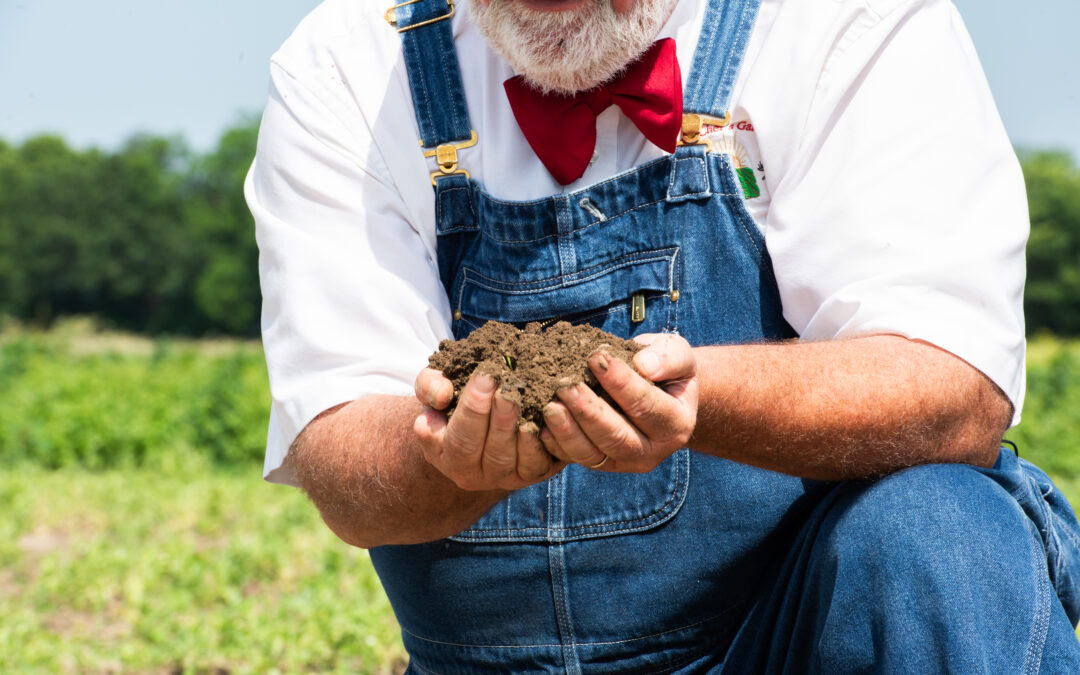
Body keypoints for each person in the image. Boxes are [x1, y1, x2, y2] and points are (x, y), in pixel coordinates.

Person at [246, 0, 1080, 670]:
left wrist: (696, 394)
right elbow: (341, 448)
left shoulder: (839, 24)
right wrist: (441, 449)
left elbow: (951, 388)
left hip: (797, 640)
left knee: (936, 531)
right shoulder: (347, 66)